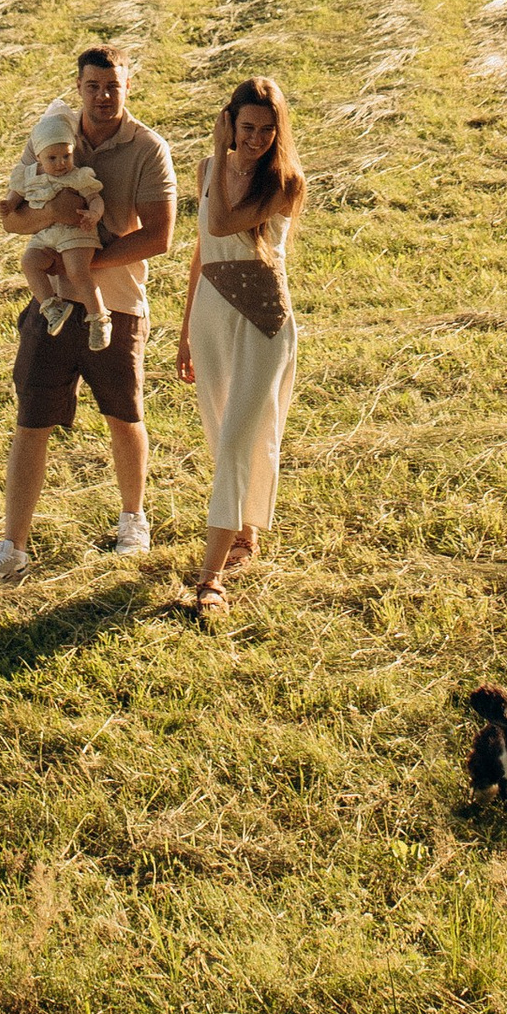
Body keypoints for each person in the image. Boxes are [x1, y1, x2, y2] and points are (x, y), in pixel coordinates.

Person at [0, 45, 175, 585]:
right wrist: (52, 218)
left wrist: (85, 259)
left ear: (128, 87)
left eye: (114, 87)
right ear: (79, 87)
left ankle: (133, 521)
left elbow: (161, 236)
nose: (104, 97)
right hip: (51, 308)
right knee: (30, 421)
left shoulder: (148, 148)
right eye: (94, 87)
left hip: (118, 306)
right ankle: (12, 547)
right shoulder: (50, 137)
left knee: (123, 417)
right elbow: (14, 221)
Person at [176, 73, 305, 620]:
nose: (256, 139)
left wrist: (215, 146)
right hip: (211, 312)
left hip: (261, 318)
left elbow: (226, 219)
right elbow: (204, 248)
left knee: (242, 436)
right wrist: (184, 330)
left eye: (267, 130)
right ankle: (246, 527)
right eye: (247, 127)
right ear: (231, 120)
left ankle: (210, 579)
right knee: (221, 428)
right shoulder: (208, 170)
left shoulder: (285, 181)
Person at [18, 107, 110, 343]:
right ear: (39, 157)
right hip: (47, 235)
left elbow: (95, 198)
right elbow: (16, 197)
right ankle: (51, 306)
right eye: (52, 158)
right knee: (29, 262)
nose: (60, 163)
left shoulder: (79, 176)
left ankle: (99, 318)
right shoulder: (32, 177)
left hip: (76, 232)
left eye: (66, 156)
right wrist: (8, 205)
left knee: (77, 270)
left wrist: (94, 214)